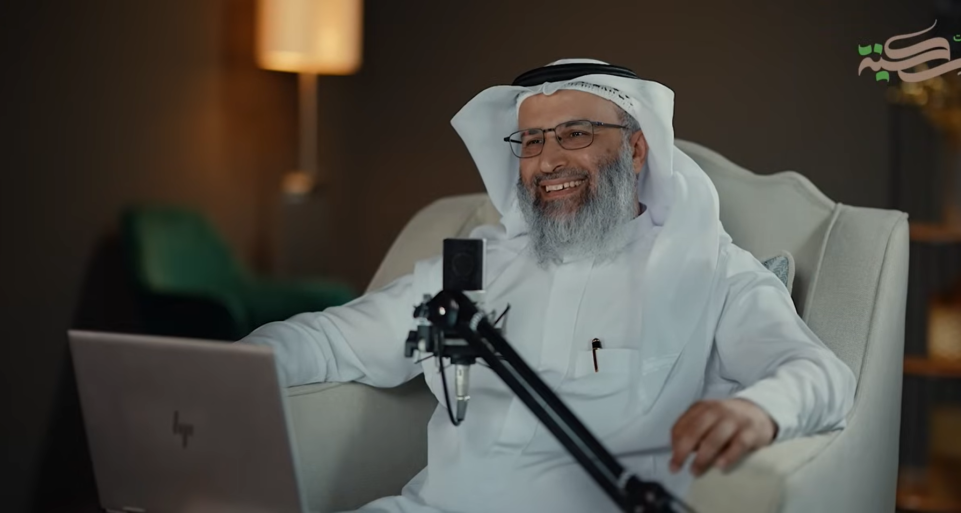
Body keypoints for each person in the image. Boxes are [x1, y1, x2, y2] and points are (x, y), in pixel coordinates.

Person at [239, 58, 857, 513]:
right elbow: (332, 339)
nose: (548, 159)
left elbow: (820, 373)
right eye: (532, 141)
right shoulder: (476, 266)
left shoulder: (709, 268)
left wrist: (757, 410)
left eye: (576, 134)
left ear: (636, 150)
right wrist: (226, 368)